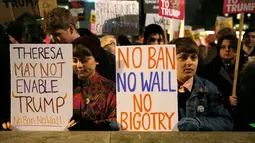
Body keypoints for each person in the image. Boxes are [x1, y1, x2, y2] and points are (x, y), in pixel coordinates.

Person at [169, 37, 233, 131]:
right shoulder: (157, 89)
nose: (189, 62)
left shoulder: (208, 88)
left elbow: (226, 122)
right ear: (170, 60)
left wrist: (198, 123)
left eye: (193, 57)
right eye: (183, 58)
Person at [68, 41, 118, 131]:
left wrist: (91, 126)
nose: (79, 65)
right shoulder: (65, 86)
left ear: (97, 60)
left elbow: (116, 121)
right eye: (75, 61)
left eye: (84, 60)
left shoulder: (111, 88)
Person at [199, 35, 241, 115]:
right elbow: (205, 95)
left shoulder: (244, 69)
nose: (227, 50)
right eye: (223, 47)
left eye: (231, 47)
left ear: (237, 50)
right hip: (218, 115)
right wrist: (226, 100)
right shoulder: (209, 70)